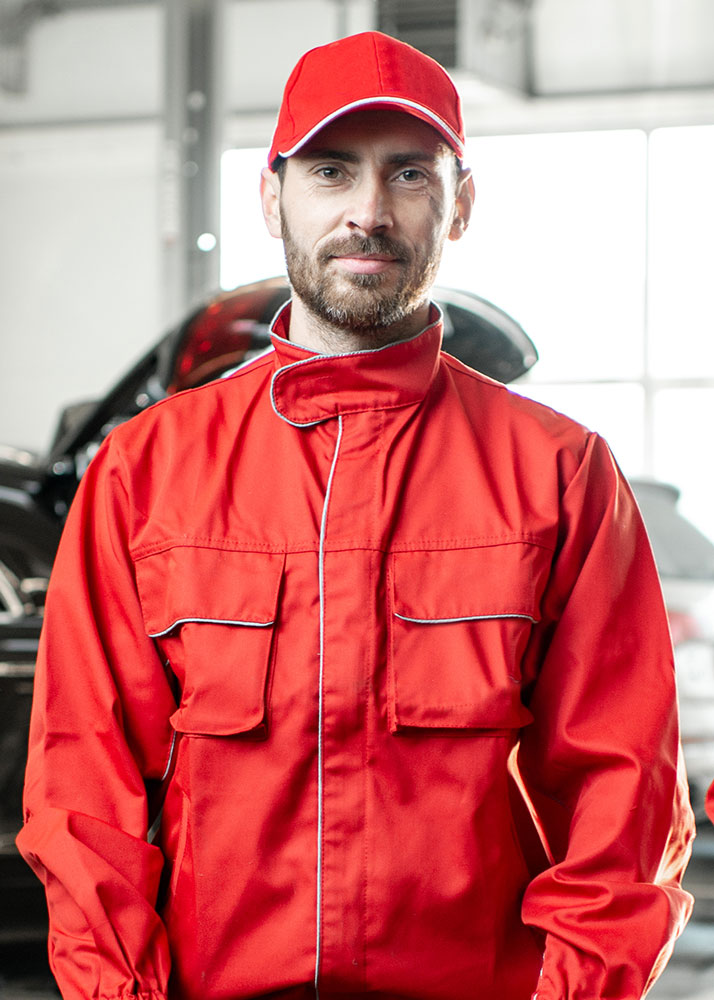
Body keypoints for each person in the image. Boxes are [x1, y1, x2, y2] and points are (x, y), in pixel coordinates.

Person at [18, 30, 694, 1000]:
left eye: (409, 173)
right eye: (332, 171)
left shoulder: (560, 472)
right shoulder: (145, 472)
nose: (368, 211)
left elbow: (623, 793)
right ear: (272, 197)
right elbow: (84, 791)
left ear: (460, 204)